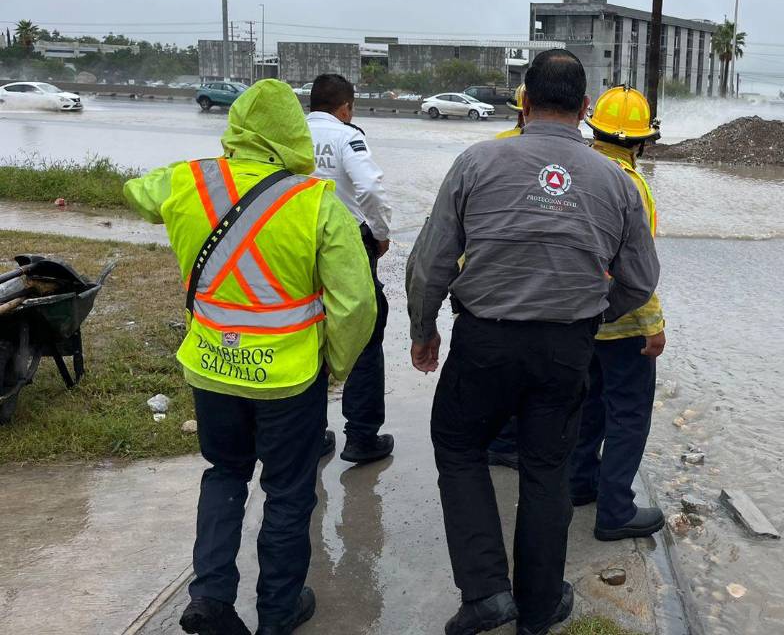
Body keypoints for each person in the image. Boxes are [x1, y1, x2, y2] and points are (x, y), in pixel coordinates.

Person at [406, 50, 660, 635]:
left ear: (523, 100)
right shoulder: (616, 182)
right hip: (566, 350)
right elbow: (641, 280)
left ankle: (486, 593)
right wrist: (592, 316)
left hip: (484, 341)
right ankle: (540, 608)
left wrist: (424, 329)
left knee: (459, 446)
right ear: (584, 107)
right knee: (548, 468)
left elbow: (429, 263)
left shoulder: (476, 162)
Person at [123, 79, 376, 635]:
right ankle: (278, 614)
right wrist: (335, 364)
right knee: (287, 492)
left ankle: (211, 597)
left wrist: (191, 182)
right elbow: (356, 304)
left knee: (224, 474)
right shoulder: (316, 202)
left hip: (212, 368)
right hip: (289, 379)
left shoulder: (188, 180)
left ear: (236, 126)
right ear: (293, 134)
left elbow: (136, 191)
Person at [569, 85, 668, 541]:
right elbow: (639, 267)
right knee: (629, 415)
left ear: (596, 130)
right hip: (624, 320)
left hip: (580, 314)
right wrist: (654, 325)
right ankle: (615, 511)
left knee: (588, 405)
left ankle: (579, 484)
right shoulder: (632, 185)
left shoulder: (575, 171)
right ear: (641, 142)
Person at [305, 73, 396, 464]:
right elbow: (370, 188)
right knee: (364, 332)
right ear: (345, 108)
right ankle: (361, 437)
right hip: (345, 246)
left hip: (293, 244)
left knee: (306, 332)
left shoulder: (289, 136)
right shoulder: (347, 137)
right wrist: (381, 233)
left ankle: (309, 436)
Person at [485, 81, 527, 469]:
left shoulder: (490, 149)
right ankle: (508, 442)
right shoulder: (572, 157)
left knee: (498, 370)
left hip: (493, 277)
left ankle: (497, 438)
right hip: (533, 281)